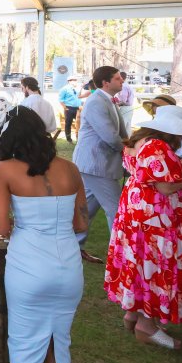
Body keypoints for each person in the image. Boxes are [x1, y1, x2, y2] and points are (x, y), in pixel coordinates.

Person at [0, 106, 87, 363]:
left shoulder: (4, 169)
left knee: (24, 345)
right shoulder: (70, 169)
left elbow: (2, 228)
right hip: (69, 268)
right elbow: (82, 223)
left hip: (28, 267)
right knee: (60, 344)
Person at [105, 104, 182, 350]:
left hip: (137, 214)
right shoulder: (157, 147)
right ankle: (146, 326)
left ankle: (135, 314)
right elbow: (166, 187)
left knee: (138, 262)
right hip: (155, 219)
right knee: (153, 265)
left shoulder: (140, 142)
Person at [72, 66, 128, 264]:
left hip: (96, 164)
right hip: (96, 164)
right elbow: (110, 137)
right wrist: (130, 150)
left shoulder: (108, 100)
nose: (122, 81)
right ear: (106, 82)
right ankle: (122, 257)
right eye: (117, 78)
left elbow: (120, 134)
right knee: (117, 210)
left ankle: (73, 248)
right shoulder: (96, 101)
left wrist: (130, 143)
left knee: (85, 209)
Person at [58, 76, 83, 142]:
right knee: (68, 124)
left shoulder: (77, 88)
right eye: (74, 80)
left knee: (80, 123)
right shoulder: (64, 89)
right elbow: (61, 99)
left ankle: (79, 138)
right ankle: (69, 139)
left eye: (76, 80)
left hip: (78, 108)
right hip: (69, 108)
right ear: (69, 81)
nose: (76, 81)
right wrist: (65, 108)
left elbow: (80, 96)